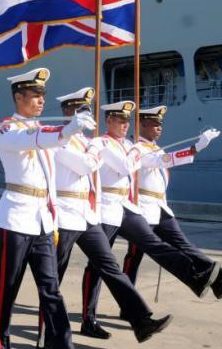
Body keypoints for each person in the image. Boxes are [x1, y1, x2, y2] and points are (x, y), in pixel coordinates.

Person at [37, 89, 172, 349]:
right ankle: (47, 335)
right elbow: (87, 166)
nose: (86, 115)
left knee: (110, 266)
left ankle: (141, 320)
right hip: (64, 214)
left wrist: (99, 151)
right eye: (80, 110)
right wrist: (99, 151)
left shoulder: (86, 142)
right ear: (68, 112)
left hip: (87, 214)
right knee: (53, 279)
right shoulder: (59, 140)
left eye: (87, 110)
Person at [81, 101, 221, 336]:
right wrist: (140, 152)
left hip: (126, 206)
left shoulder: (129, 145)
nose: (125, 125)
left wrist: (195, 148)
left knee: (155, 245)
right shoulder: (101, 143)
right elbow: (126, 167)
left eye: (127, 121)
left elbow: (160, 161)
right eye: (120, 120)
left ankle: (195, 278)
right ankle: (88, 317)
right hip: (105, 207)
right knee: (98, 265)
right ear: (109, 121)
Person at [0, 67, 95, 349]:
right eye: (34, 95)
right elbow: (34, 139)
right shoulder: (7, 129)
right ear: (18, 97)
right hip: (16, 218)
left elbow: (57, 156)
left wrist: (75, 134)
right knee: (6, 291)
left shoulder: (41, 130)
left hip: (42, 220)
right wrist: (67, 130)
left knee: (52, 292)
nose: (40, 101)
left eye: (42, 96)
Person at [122, 106, 222, 299]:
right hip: (143, 209)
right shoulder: (138, 148)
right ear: (142, 124)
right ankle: (128, 300)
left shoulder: (155, 148)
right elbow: (164, 161)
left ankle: (214, 275)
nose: (159, 128)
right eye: (155, 124)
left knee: (183, 244)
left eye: (160, 124)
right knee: (134, 257)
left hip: (160, 208)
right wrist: (195, 148)